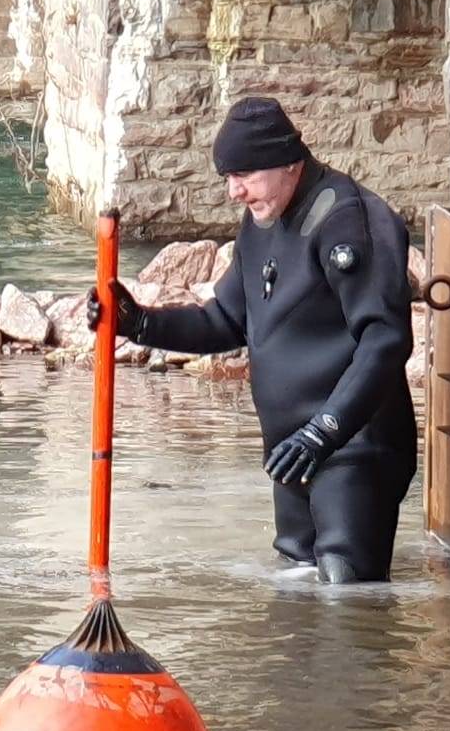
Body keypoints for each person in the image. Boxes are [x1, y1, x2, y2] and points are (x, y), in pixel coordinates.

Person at [90, 96, 417, 583]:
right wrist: (138, 323)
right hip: (292, 449)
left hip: (353, 444)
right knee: (296, 579)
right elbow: (226, 319)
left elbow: (385, 340)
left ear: (289, 162)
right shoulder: (263, 221)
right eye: (228, 177)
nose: (234, 192)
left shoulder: (351, 221)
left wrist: (324, 430)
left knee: (346, 590)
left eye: (244, 175)